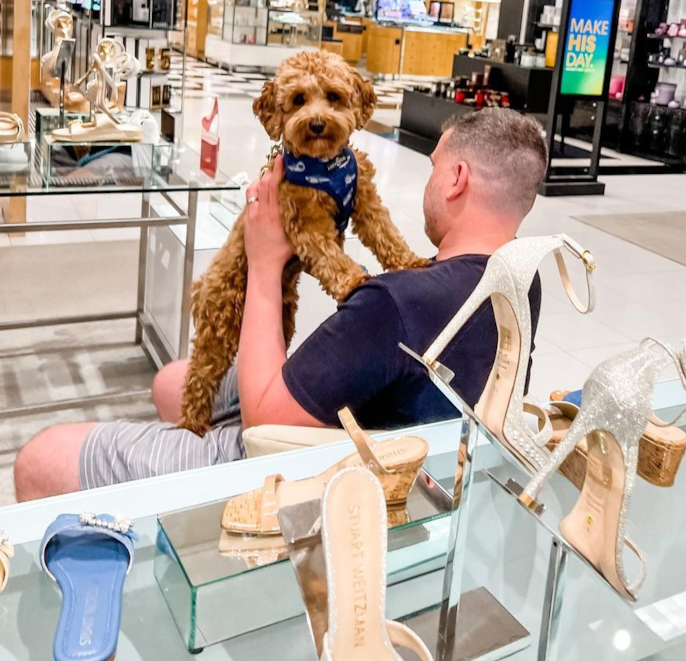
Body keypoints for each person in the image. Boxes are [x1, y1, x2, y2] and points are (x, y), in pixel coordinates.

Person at [14, 108, 548, 501]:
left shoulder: (396, 303)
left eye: (436, 168)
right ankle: (165, 502)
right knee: (172, 382)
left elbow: (263, 425)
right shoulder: (525, 282)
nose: (430, 181)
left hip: (302, 466)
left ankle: (192, 495)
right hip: (397, 439)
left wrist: (266, 263)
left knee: (41, 458)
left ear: (456, 180)